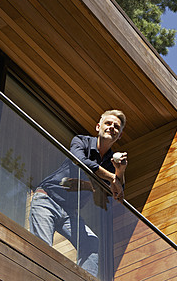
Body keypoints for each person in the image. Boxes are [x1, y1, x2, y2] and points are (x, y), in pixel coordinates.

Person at [28, 110, 128, 277]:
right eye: (108, 123)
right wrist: (112, 177)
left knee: (90, 243)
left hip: (69, 212)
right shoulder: (81, 141)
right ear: (98, 127)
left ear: (120, 135)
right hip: (47, 199)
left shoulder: (111, 161)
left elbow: (116, 193)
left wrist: (120, 171)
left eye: (116, 127)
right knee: (42, 248)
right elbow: (80, 161)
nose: (112, 127)